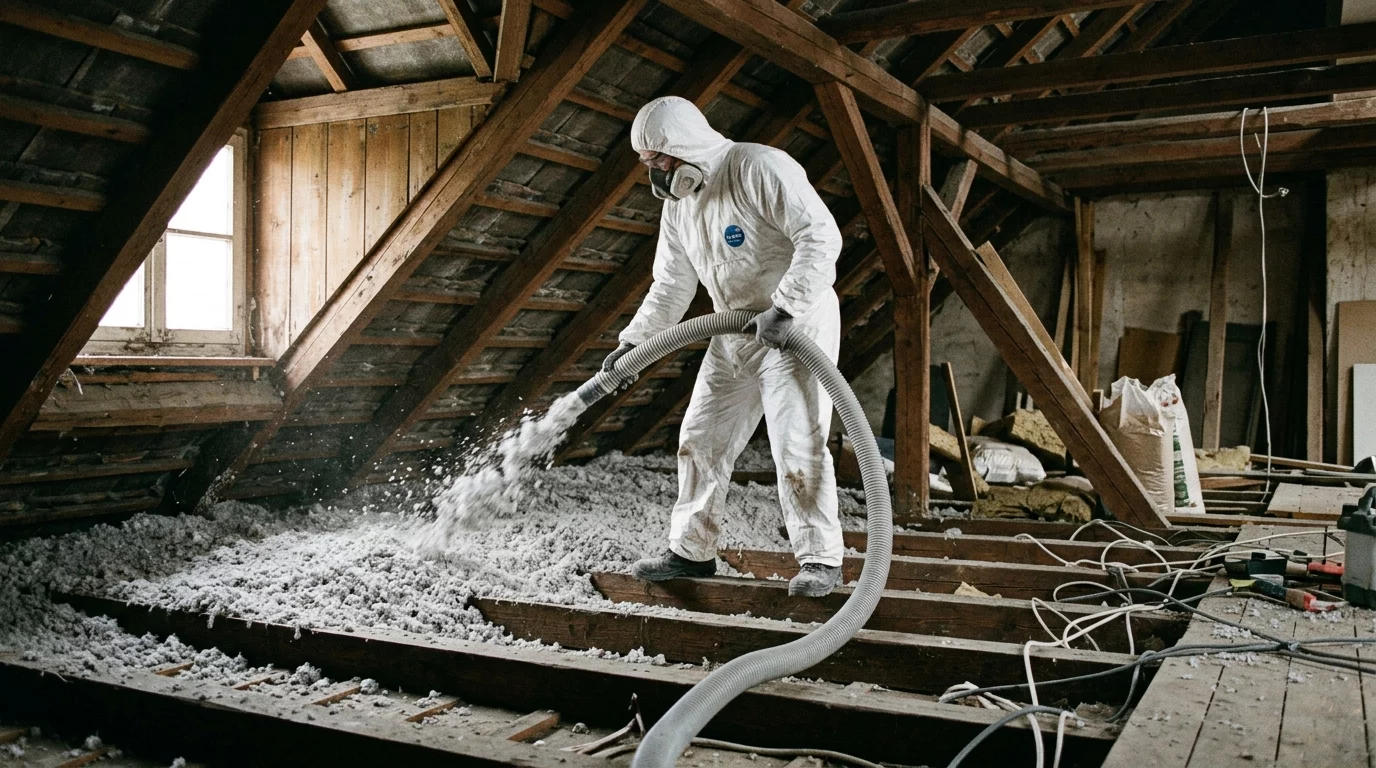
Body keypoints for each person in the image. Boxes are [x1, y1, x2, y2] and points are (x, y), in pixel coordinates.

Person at [604, 96, 844, 597]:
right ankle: (691, 552)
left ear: (685, 146)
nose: (655, 172)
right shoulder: (679, 206)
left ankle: (820, 559)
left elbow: (821, 236)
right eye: (647, 163)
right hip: (733, 331)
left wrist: (785, 307)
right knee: (700, 438)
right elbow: (671, 285)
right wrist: (635, 343)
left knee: (797, 441)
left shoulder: (756, 167)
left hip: (794, 328)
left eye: (659, 159)